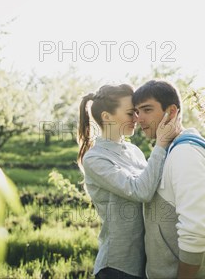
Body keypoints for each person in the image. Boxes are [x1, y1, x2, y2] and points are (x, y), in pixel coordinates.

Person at [77, 84, 181, 279]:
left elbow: (153, 184)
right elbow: (141, 191)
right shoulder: (95, 159)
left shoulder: (134, 151)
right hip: (118, 266)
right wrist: (160, 145)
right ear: (107, 117)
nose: (137, 118)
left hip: (146, 262)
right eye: (130, 113)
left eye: (138, 112)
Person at [133, 80, 205, 279]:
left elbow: (196, 231)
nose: (139, 119)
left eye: (147, 110)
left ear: (171, 112)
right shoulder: (169, 151)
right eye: (137, 112)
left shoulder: (185, 154)